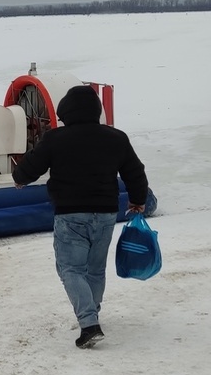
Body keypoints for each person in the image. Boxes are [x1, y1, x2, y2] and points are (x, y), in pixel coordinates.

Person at [12, 85, 149, 349]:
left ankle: (89, 324)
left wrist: (20, 179)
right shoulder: (116, 138)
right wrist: (138, 200)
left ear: (66, 112)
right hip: (106, 214)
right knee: (95, 269)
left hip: (71, 215)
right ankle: (92, 313)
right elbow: (135, 171)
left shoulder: (55, 139)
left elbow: (31, 166)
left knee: (70, 269)